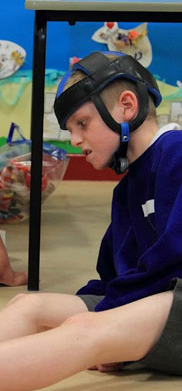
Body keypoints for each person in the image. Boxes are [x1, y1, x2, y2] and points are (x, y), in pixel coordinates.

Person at [0, 50, 182, 390]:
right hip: (151, 304)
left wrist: (108, 318)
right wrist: (102, 307)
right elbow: (116, 276)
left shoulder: (177, 152)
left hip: (176, 298)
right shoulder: (127, 188)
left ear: (127, 107)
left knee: (82, 330)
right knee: (30, 303)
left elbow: (174, 261)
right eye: (71, 130)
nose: (75, 140)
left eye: (82, 124)